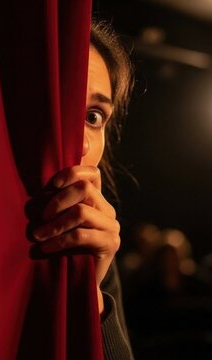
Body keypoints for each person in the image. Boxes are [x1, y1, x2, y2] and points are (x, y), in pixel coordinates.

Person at [28, 21, 134, 359]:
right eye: (59, 108)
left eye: (93, 116)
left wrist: (90, 294)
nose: (80, 140)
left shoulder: (94, 246)